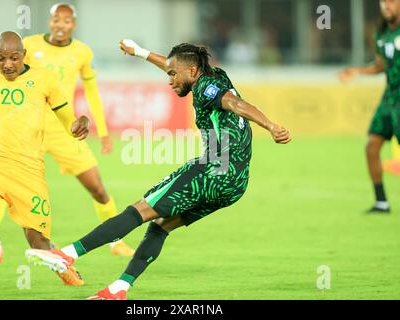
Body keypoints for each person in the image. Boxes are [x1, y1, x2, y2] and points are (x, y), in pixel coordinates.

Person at [25, 40, 291, 300]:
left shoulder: (207, 87)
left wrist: (270, 125)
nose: (169, 79)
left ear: (192, 72)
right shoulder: (214, 75)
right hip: (234, 184)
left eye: (173, 74)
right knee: (160, 226)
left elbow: (237, 104)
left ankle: (67, 254)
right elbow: (173, 65)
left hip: (213, 169)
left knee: (139, 210)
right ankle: (118, 289)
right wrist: (140, 52)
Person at [0, 3, 134, 257]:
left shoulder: (82, 52)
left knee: (97, 187)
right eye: (56, 20)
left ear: (74, 24)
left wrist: (102, 131)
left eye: (66, 21)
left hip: (63, 129)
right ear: (50, 22)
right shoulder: (29, 44)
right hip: (24, 134)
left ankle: (116, 240)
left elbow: (91, 92)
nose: (61, 25)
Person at [0, 31, 90, 285]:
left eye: (14, 58)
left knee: (37, 241)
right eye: (1, 58)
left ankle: (63, 266)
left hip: (28, 168)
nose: (7, 64)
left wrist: (78, 123)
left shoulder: (44, 78)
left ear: (23, 55)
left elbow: (66, 115)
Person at [338, 0, 400, 213]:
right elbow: (381, 66)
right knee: (372, 146)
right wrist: (357, 72)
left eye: (391, 2)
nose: (386, 6)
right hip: (389, 98)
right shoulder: (381, 34)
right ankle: (381, 202)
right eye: (383, 2)